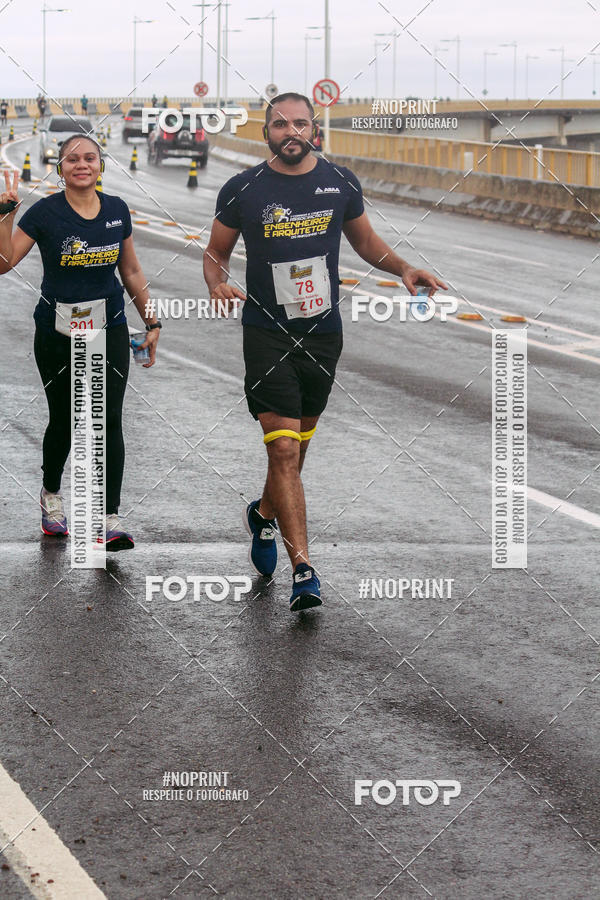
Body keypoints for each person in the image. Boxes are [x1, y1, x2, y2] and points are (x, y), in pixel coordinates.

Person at [204, 92, 447, 612]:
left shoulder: (339, 181)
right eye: (279, 125)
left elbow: (366, 243)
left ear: (315, 129)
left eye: (299, 123)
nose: (290, 132)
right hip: (266, 331)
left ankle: (264, 513)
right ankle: (304, 570)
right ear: (264, 132)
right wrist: (216, 282)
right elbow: (216, 252)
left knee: (297, 449)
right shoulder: (242, 188)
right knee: (284, 449)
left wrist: (403, 268)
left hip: (322, 333)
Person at [0, 135, 161, 549]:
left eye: (90, 158)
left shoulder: (116, 210)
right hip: (56, 331)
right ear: (60, 167)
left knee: (108, 419)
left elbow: (131, 269)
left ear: (101, 165)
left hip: (109, 327)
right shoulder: (45, 212)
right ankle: (52, 495)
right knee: (66, 419)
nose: (82, 165)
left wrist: (151, 320)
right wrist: (5, 216)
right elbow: (4, 263)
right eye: (72, 159)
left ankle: (108, 518)